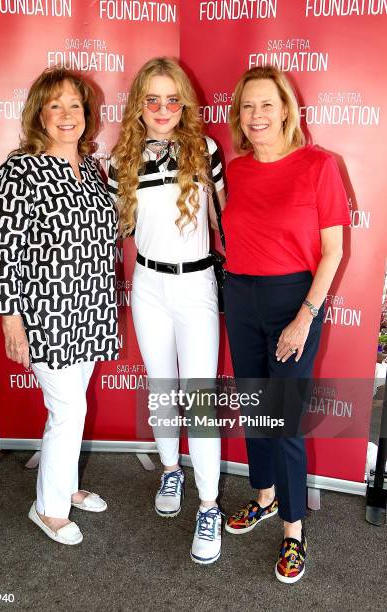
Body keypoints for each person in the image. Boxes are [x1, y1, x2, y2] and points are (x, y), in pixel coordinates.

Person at [222, 65, 350, 583]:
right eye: (247, 106)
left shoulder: (320, 165)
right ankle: (266, 497)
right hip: (240, 295)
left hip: (293, 301)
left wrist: (304, 317)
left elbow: (334, 249)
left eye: (266, 105)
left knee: (287, 421)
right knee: (256, 408)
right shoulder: (235, 169)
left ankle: (293, 531)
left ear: (286, 110)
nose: (256, 116)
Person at [0, 67, 118, 545]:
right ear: (39, 113)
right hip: (46, 314)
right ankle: (49, 509)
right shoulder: (20, 169)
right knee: (68, 410)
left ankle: (65, 484)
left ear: (87, 115)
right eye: (55, 105)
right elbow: (3, 250)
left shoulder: (92, 170)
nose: (66, 115)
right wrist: (10, 321)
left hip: (90, 308)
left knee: (69, 408)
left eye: (75, 106)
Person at [107, 57, 226, 564]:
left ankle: (210, 505)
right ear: (139, 104)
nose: (161, 109)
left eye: (171, 98)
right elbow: (116, 228)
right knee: (162, 387)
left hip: (197, 285)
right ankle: (170, 469)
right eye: (151, 99)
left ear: (184, 102)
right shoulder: (120, 159)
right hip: (149, 284)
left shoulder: (208, 150)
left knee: (198, 398)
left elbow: (230, 223)